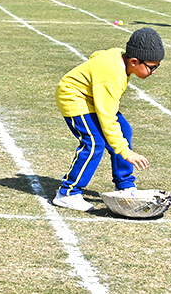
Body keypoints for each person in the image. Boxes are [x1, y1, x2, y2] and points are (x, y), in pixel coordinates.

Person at [53, 27, 164, 212]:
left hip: (91, 96)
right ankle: (67, 193)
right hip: (73, 97)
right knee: (94, 143)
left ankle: (125, 185)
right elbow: (107, 118)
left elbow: (96, 55)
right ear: (134, 61)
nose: (154, 72)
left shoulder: (119, 55)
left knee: (125, 130)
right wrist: (126, 152)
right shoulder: (112, 78)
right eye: (152, 67)